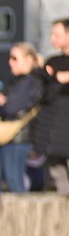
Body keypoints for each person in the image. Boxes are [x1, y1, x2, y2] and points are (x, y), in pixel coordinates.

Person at [0, 42, 43, 195]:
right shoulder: (15, 80)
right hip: (3, 138)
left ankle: (24, 211)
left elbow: (10, 109)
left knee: (15, 183)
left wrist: (1, 105)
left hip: (18, 139)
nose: (10, 62)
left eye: (15, 58)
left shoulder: (31, 81)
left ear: (29, 59)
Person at [35, 18, 69, 194]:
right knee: (58, 176)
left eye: (57, 34)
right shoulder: (53, 62)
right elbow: (44, 93)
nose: (52, 39)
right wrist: (57, 78)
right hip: (56, 130)